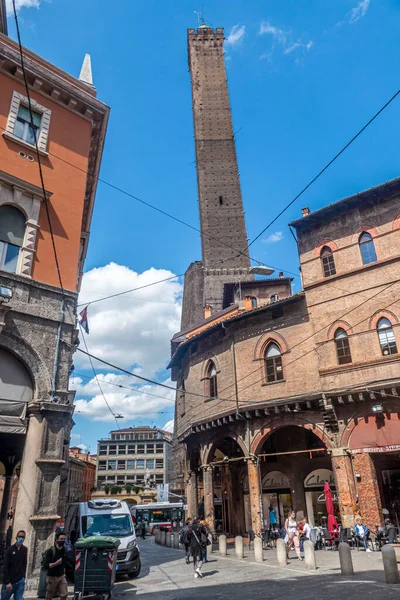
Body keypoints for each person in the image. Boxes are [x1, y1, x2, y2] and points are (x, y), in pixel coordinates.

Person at [1, 530, 27, 600]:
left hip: (20, 581)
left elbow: (24, 564)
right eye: (19, 536)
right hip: (10, 582)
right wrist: (7, 582)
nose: (21, 538)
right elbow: (5, 567)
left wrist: (23, 577)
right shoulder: (10, 550)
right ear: (16, 537)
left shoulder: (24, 549)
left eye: (23, 537)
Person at [42, 531, 68, 600]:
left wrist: (64, 572)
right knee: (49, 596)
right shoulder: (51, 551)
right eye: (61, 539)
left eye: (64, 539)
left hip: (61, 576)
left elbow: (64, 562)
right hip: (52, 576)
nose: (62, 541)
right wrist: (56, 563)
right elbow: (46, 565)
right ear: (57, 539)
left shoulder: (64, 550)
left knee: (64, 594)